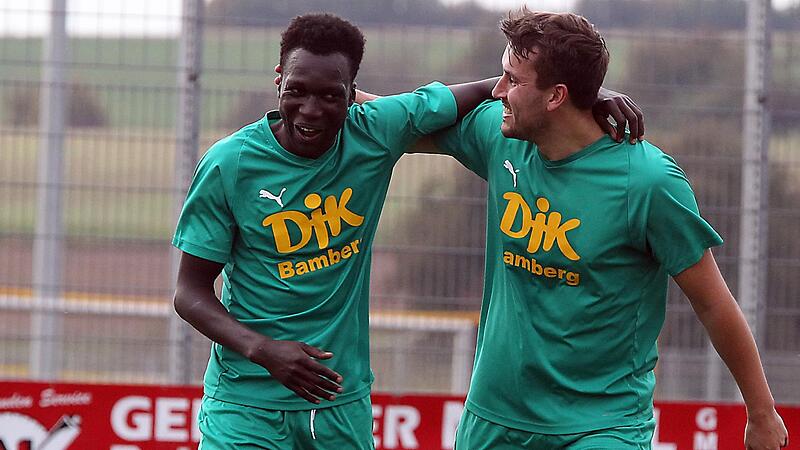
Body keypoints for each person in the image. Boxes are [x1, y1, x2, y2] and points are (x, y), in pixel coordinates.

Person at [174, 11, 643, 450]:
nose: (310, 110)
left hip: (339, 403)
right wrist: (263, 350)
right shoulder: (228, 164)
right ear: (278, 80)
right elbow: (189, 293)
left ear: (354, 92)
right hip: (245, 405)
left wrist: (581, 97)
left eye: (330, 96)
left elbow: (487, 90)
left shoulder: (375, 131)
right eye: (296, 90)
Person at [427, 8, 789, 450]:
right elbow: (388, 123)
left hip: (600, 428)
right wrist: (334, 92)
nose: (497, 91)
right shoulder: (500, 135)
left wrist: (761, 412)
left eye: (513, 80)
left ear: (557, 96)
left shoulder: (648, 182)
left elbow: (713, 303)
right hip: (493, 421)